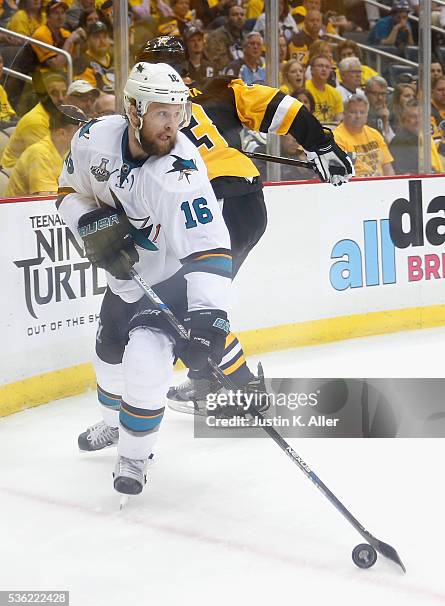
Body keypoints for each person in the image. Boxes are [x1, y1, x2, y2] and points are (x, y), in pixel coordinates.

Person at [135, 37, 353, 415]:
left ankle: (242, 389)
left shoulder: (145, 115)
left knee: (185, 305)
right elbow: (281, 105)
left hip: (212, 207)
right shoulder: (219, 92)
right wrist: (319, 143)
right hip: (249, 203)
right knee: (200, 298)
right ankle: (206, 380)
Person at [57, 63, 233, 497]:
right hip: (125, 282)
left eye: (178, 112)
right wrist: (89, 221)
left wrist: (208, 321)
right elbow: (65, 193)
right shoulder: (92, 139)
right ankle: (112, 424)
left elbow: (209, 247)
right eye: (161, 113)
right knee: (107, 357)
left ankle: (134, 458)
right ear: (133, 110)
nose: (172, 124)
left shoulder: (182, 172)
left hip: (171, 282)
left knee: (145, 363)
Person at [5, 105, 82, 196]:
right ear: (62, 133)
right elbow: (47, 198)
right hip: (20, 209)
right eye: (79, 131)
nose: (84, 134)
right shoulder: (39, 154)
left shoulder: (66, 151)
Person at [0, 72, 67, 168]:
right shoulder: (36, 122)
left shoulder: (60, 116)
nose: (61, 98)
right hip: (14, 174)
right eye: (54, 93)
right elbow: (49, 161)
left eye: (64, 93)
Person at [334, 94, 394, 177]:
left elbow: (387, 167)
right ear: (344, 114)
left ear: (367, 115)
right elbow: (341, 175)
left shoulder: (375, 134)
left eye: (362, 112)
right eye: (353, 112)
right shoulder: (336, 138)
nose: (358, 116)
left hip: (381, 184)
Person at [390, 100, 443, 174]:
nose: (417, 120)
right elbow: (408, 173)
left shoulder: (425, 137)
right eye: (413, 116)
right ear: (403, 119)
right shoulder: (400, 142)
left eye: (421, 116)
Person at [32, 0, 85, 72]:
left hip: (56, 76)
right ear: (47, 17)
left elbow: (73, 62)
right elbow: (57, 66)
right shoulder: (41, 34)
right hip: (33, 76)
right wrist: (69, 41)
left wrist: (78, 42)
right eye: (56, 13)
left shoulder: (65, 33)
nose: (60, 17)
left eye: (63, 13)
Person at [204, 1, 245, 74]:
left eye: (242, 15)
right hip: (224, 75)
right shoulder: (216, 36)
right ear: (226, 18)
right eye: (235, 14)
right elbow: (220, 64)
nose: (239, 17)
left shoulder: (245, 37)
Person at [73, 21, 114, 92]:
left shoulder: (116, 59)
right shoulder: (82, 63)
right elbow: (90, 96)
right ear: (88, 41)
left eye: (104, 36)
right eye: (96, 37)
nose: (102, 41)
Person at [305, 54, 343, 124]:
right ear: (311, 70)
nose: (324, 69)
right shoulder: (304, 89)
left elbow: (339, 118)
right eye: (320, 66)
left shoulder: (335, 93)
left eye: (327, 67)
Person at [183, 22, 215, 87]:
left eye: (199, 40)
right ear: (186, 43)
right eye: (192, 40)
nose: (196, 43)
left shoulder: (211, 66)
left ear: (203, 42)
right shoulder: (181, 67)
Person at [364, 76, 395, 144]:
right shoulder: (360, 113)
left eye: (383, 94)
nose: (380, 98)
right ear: (366, 93)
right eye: (375, 94)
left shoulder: (389, 112)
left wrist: (385, 122)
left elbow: (392, 143)